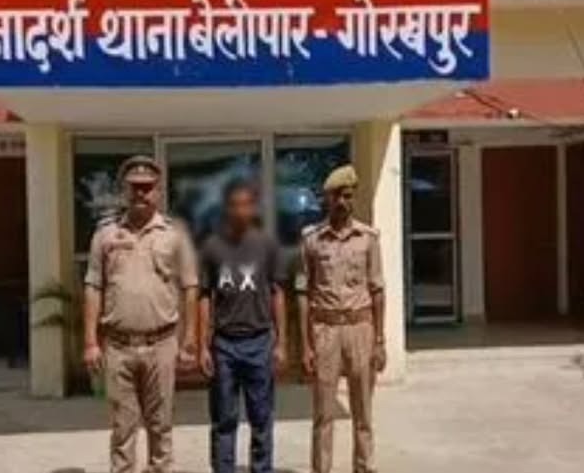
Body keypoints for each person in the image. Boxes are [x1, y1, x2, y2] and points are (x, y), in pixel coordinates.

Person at [83, 155, 200, 473]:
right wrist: (90, 342)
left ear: (159, 191)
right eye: (134, 187)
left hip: (161, 344)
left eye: (148, 187)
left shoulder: (175, 234)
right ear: (124, 190)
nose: (141, 193)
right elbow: (93, 286)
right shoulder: (105, 235)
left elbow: (190, 287)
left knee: (161, 426)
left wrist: (189, 340)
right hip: (117, 346)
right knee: (122, 429)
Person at [298, 164, 386, 473]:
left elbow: (377, 290)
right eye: (335, 196)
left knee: (363, 412)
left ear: (353, 197)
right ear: (326, 199)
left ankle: (364, 467)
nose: (341, 202)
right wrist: (307, 345)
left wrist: (380, 341)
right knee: (324, 413)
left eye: (347, 196)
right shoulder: (312, 239)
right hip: (326, 329)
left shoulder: (368, 238)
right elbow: (303, 292)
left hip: (360, 327)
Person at [197, 179, 287, 473]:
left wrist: (281, 342)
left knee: (261, 417)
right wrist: (202, 346)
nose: (240, 211)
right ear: (226, 208)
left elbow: (277, 292)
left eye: (246, 205)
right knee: (224, 418)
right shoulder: (212, 247)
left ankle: (262, 468)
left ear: (254, 208)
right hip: (224, 344)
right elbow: (203, 296)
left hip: (259, 342)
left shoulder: (267, 245)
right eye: (235, 205)